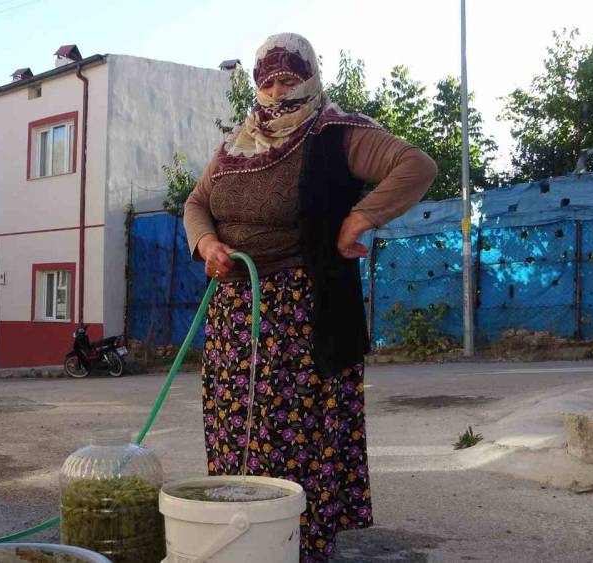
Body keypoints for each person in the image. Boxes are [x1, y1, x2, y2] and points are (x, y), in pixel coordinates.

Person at [183, 32, 437, 562]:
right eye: (268, 82)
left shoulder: (335, 132)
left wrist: (359, 219)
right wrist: (207, 244)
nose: (278, 93)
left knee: (298, 435)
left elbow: (416, 166)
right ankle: (244, 540)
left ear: (312, 79)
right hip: (234, 319)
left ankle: (301, 545)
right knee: (237, 430)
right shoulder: (237, 144)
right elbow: (196, 202)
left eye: (289, 80)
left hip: (302, 314)